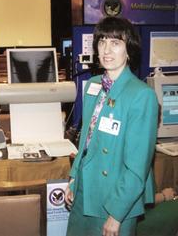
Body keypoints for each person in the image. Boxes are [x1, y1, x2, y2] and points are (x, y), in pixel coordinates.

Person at [65, 17, 158, 236]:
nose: (107, 49)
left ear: (129, 50)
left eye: (115, 43)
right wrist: (73, 178)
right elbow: (86, 141)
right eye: (102, 42)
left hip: (116, 199)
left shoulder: (142, 96)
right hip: (84, 191)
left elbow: (137, 167)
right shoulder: (94, 85)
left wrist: (116, 215)